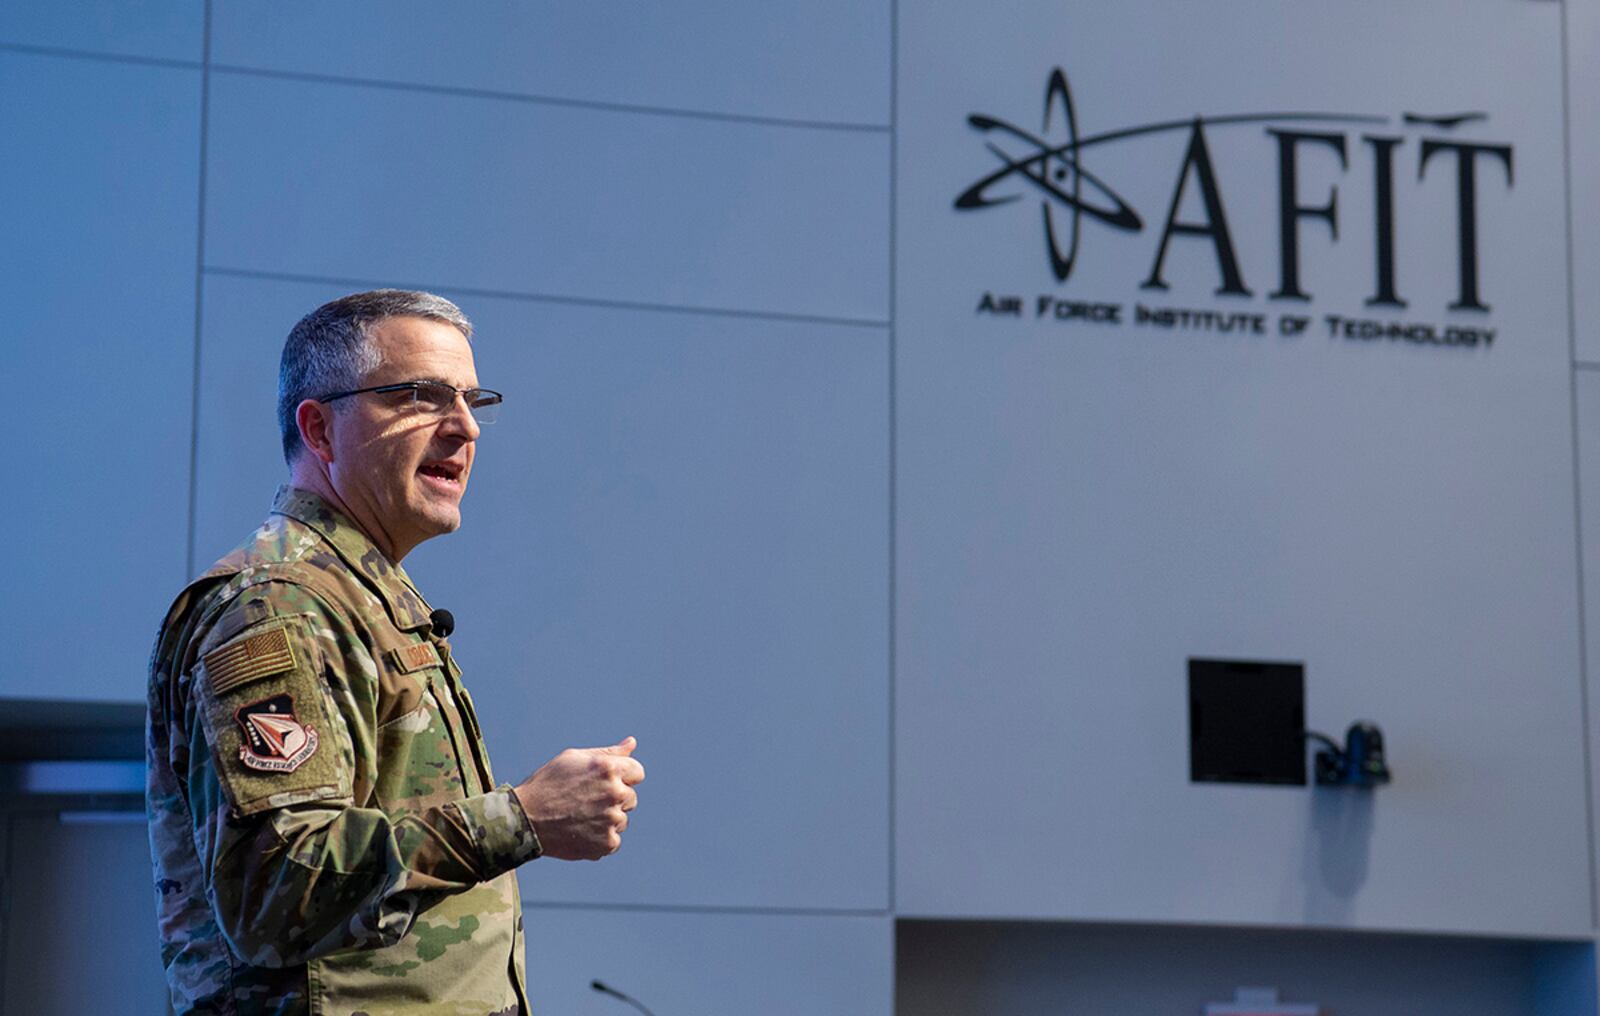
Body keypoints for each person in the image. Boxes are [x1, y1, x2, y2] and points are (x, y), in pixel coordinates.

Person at [145, 289, 645, 1015]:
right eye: (420, 396)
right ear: (320, 429)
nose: (465, 427)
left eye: (474, 401)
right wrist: (523, 817)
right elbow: (278, 891)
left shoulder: (359, 596)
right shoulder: (279, 605)